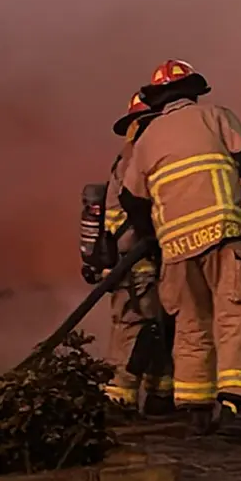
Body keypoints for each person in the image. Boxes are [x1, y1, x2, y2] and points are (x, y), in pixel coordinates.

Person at [118, 59, 241, 440]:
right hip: (223, 237)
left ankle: (197, 414)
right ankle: (237, 409)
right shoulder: (215, 117)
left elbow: (131, 199)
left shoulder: (147, 140)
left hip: (175, 249)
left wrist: (158, 235)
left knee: (190, 327)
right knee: (235, 318)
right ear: (193, 89)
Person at [97, 92, 175, 417]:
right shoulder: (139, 156)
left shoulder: (142, 153)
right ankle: (120, 398)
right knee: (137, 326)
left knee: (163, 327)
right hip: (135, 260)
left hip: (154, 257)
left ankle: (160, 395)